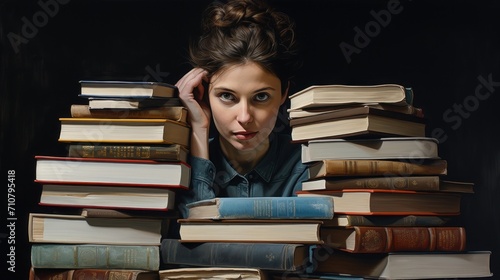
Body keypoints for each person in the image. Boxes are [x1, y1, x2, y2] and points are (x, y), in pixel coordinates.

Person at [176, 0, 307, 218]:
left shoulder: (306, 165)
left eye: (261, 96)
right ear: (205, 94)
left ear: (284, 93)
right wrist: (198, 128)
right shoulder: (179, 165)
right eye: (227, 96)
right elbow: (194, 244)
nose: (245, 117)